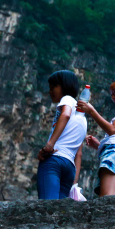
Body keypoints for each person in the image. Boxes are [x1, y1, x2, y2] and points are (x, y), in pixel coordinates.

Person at [37, 70, 87, 200]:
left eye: (54, 86)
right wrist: (74, 183)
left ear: (65, 85)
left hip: (54, 160)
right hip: (69, 168)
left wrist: (49, 145)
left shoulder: (67, 99)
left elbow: (65, 114)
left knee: (48, 205)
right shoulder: (82, 117)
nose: (50, 91)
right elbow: (79, 153)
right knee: (59, 210)